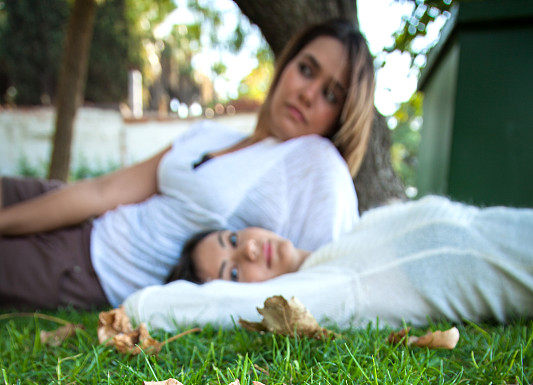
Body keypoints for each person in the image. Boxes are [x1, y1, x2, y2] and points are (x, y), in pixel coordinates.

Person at [0, 18, 375, 311]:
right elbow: (104, 190)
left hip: (90, 266)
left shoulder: (318, 168)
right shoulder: (210, 134)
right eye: (307, 70)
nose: (308, 94)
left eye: (330, 94)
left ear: (342, 116)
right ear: (286, 65)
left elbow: (329, 279)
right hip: (76, 208)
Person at [123, 195, 533, 330]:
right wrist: (141, 307)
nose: (247, 250)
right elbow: (217, 305)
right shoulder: (337, 283)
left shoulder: (355, 235)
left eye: (231, 238)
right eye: (232, 271)